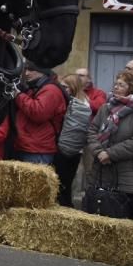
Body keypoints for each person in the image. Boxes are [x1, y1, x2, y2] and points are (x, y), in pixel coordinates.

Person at [83, 68, 133, 221]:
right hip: (102, 173)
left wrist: (110, 153)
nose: (115, 87)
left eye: (121, 85)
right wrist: (99, 152)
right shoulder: (106, 108)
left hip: (130, 177)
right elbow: (92, 131)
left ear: (131, 88)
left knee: (130, 222)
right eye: (115, 84)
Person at [0, 61, 66, 163]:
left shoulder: (51, 90)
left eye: (31, 70)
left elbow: (38, 113)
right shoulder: (35, 88)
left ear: (43, 71)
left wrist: (18, 95)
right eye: (26, 70)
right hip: (26, 147)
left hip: (38, 150)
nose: (26, 73)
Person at [55, 74, 92, 207]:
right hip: (77, 151)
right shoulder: (86, 102)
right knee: (66, 184)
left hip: (63, 150)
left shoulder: (71, 104)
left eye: (64, 87)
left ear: (72, 88)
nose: (61, 89)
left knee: (60, 185)